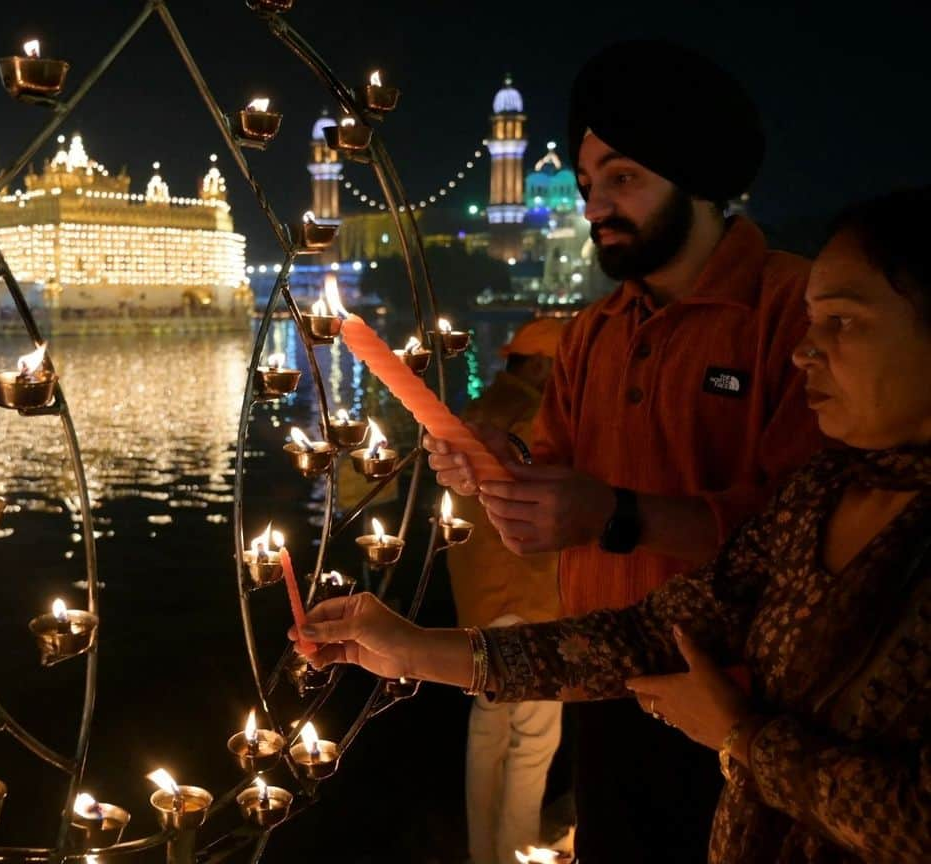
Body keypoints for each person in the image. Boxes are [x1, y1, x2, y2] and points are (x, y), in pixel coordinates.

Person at [292, 186, 931, 863]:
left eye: (845, 323)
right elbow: (647, 633)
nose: (807, 352)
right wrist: (416, 650)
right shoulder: (821, 495)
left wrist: (746, 738)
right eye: (811, 322)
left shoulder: (769, 331)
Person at [425, 40, 824, 862]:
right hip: (605, 691)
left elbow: (810, 533)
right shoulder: (592, 338)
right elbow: (556, 513)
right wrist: (500, 478)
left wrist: (615, 514)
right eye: (585, 184)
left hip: (752, 713)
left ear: (697, 177)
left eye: (623, 179)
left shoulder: (799, 311)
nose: (595, 205)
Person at [447, 317, 566, 864]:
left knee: (488, 729)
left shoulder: (477, 409)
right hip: (533, 600)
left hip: (479, 598)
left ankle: (481, 852)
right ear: (543, 365)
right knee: (535, 741)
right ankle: (515, 851)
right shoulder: (540, 415)